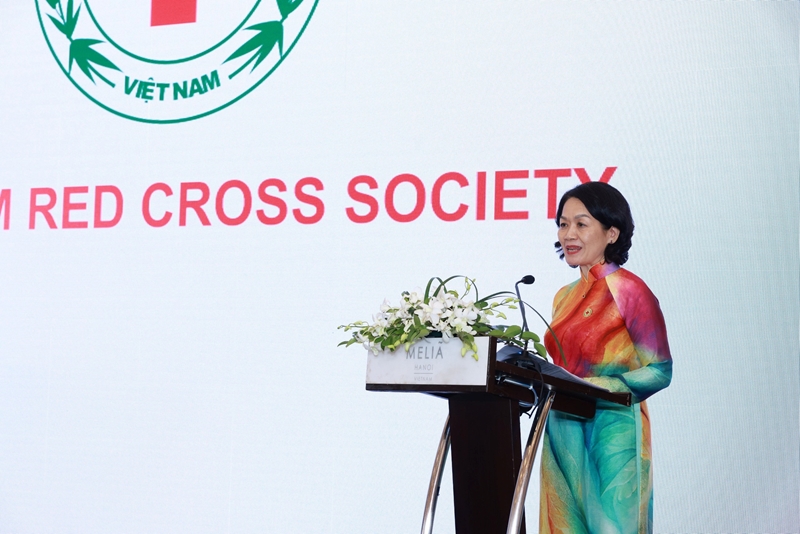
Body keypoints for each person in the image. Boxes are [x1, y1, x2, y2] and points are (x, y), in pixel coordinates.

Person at [540, 182, 673, 534]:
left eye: (581, 224)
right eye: (563, 224)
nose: (569, 234)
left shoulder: (630, 289)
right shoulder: (563, 296)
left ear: (611, 232)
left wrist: (599, 386)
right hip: (562, 429)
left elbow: (661, 370)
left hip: (611, 434)